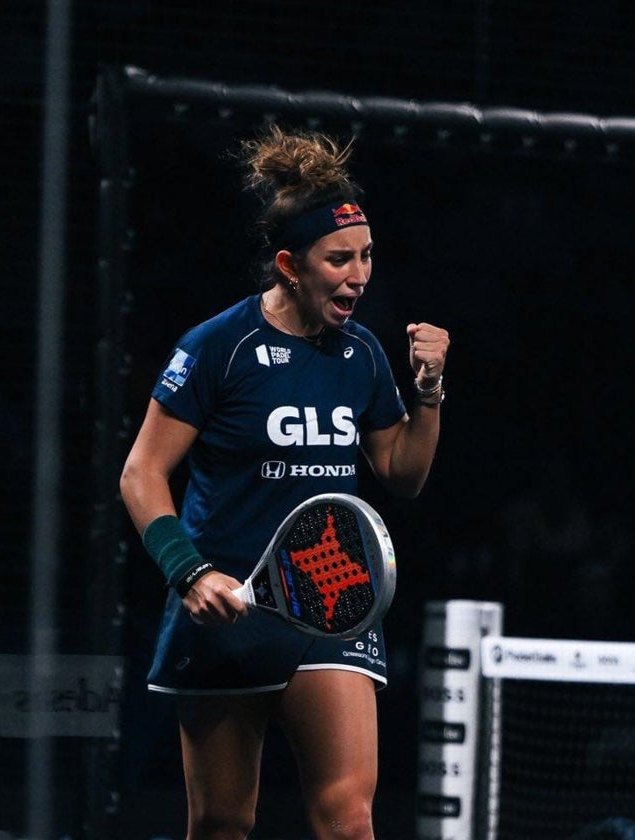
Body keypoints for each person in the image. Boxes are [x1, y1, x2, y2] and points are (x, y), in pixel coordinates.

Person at [119, 124, 450, 840]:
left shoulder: (362, 354)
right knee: (220, 823)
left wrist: (430, 392)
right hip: (227, 607)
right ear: (288, 265)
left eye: (365, 256)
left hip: (330, 602)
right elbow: (141, 472)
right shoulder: (218, 347)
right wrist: (189, 572)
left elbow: (402, 473)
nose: (358, 275)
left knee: (348, 818)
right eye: (338, 259)